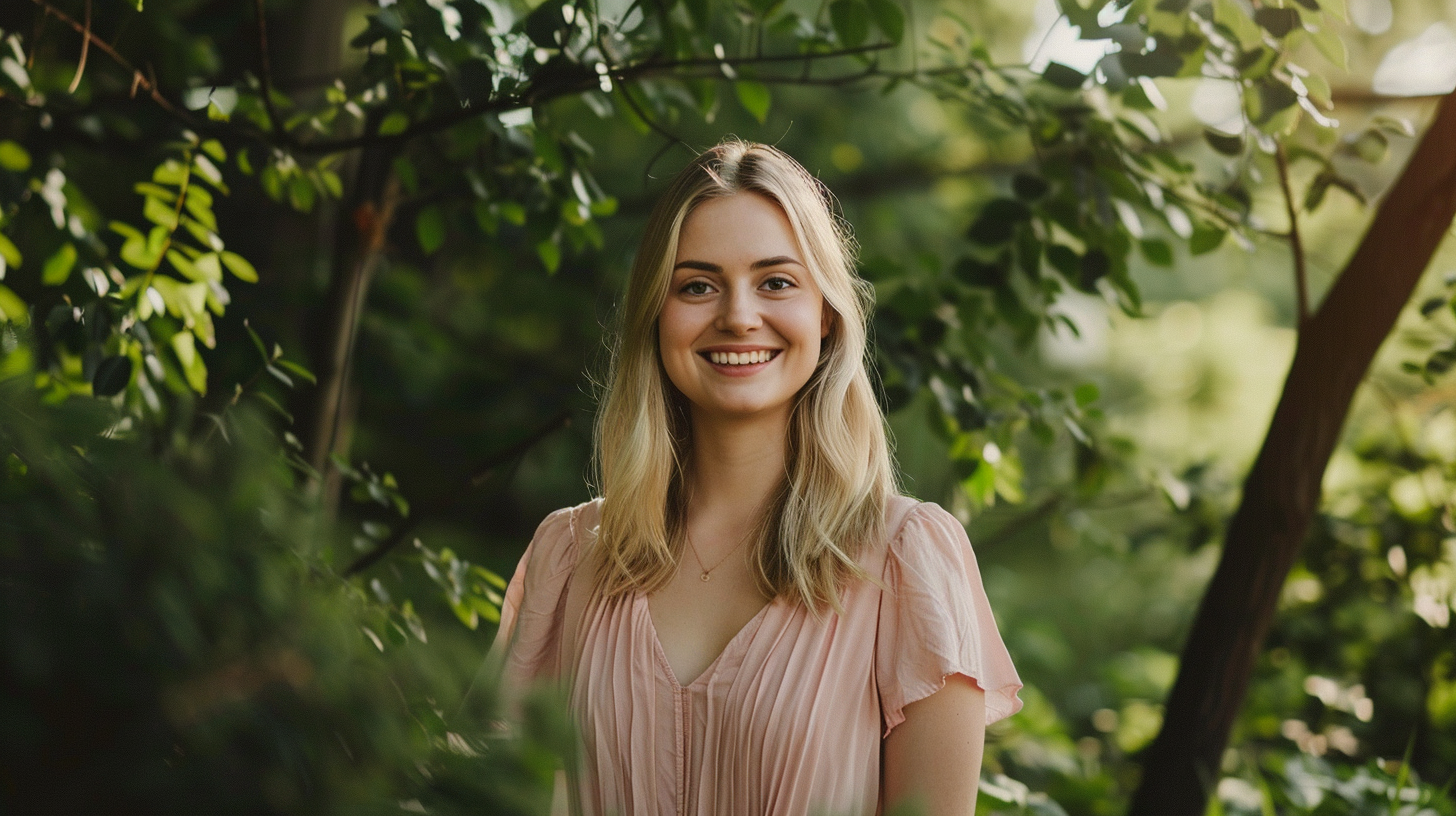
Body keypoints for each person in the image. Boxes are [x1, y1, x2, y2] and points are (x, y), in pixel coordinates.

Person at [491, 139, 1022, 816]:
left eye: (776, 282)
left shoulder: (908, 560)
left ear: (826, 317)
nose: (738, 315)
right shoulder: (571, 556)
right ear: (657, 315)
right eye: (697, 285)